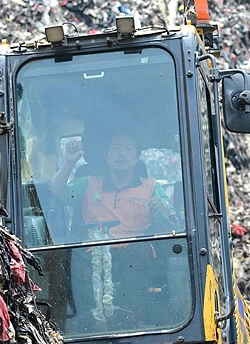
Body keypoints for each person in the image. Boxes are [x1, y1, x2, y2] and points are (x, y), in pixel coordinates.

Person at [48, 128, 181, 328]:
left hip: (135, 253)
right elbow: (58, 192)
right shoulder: (89, 183)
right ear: (106, 156)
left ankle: (131, 320)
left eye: (128, 148)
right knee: (73, 257)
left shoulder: (151, 187)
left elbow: (172, 219)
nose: (122, 153)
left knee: (139, 252)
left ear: (137, 157)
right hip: (94, 252)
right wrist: (69, 162)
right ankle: (86, 322)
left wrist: (163, 208)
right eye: (116, 148)